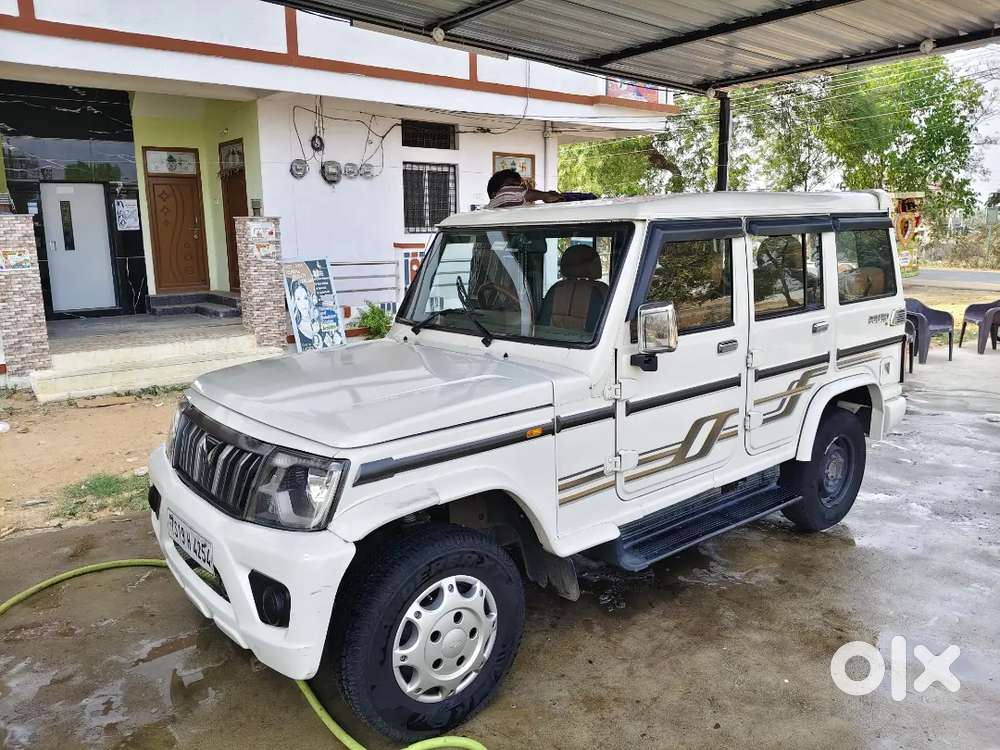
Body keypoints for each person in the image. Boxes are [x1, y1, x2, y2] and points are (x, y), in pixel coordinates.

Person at [485, 169, 564, 209]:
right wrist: (545, 196)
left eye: (518, 187)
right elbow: (509, 195)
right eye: (510, 186)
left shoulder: (518, 207)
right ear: (494, 194)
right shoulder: (493, 205)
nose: (516, 189)